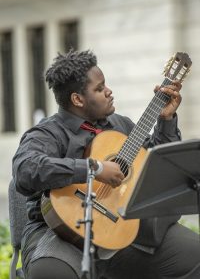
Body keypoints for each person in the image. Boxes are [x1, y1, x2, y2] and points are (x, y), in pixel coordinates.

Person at [12, 49, 200, 279]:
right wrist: (94, 169)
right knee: (51, 273)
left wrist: (166, 120)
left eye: (106, 85)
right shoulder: (47, 133)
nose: (109, 92)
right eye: (100, 89)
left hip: (120, 225)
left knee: (194, 253)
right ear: (78, 99)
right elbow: (26, 169)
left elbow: (158, 163)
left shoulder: (120, 124)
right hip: (58, 233)